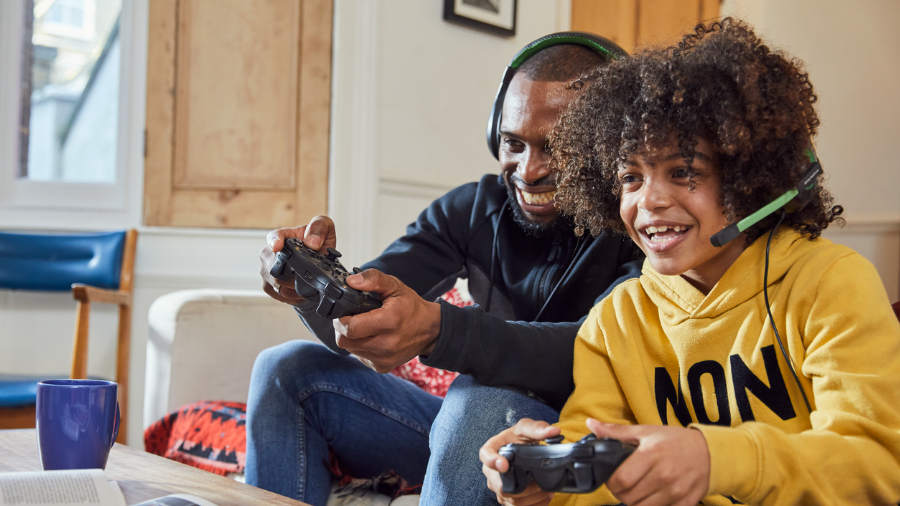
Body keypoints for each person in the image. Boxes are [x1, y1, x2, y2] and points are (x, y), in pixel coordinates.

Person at [480, 18, 900, 506]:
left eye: (683, 172)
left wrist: (714, 459)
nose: (649, 200)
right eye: (630, 178)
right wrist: (548, 483)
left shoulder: (830, 284)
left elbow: (877, 466)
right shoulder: (616, 320)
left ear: (750, 181)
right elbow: (596, 480)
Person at [246, 34, 644, 506]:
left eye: (556, 148)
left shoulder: (644, 225)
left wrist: (441, 332)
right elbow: (363, 318)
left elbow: (592, 353)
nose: (529, 170)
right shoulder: (473, 209)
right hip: (467, 438)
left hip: (570, 444)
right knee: (285, 369)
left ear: (613, 147)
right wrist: (310, 286)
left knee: (477, 398)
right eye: (512, 143)